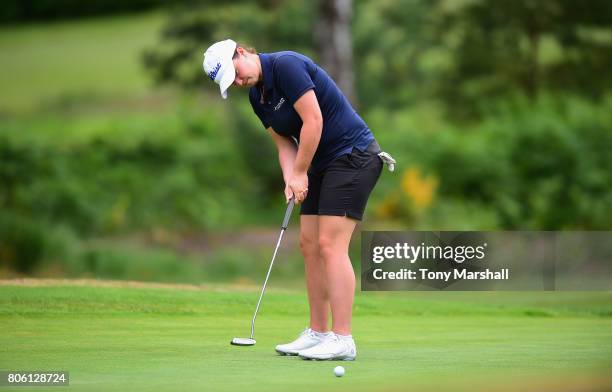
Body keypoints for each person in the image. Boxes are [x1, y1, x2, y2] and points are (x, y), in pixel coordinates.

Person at [203, 39, 393, 361]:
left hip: (353, 156)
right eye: (231, 82)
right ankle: (318, 332)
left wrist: (301, 171)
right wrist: (291, 177)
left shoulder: (286, 65)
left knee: (330, 245)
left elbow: (313, 120)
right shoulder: (256, 96)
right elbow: (284, 146)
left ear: (242, 53)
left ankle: (343, 338)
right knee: (308, 243)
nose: (238, 82)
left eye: (235, 73)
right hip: (321, 164)